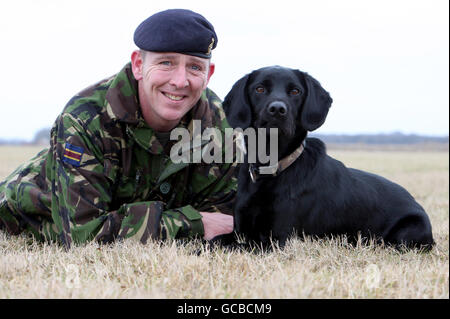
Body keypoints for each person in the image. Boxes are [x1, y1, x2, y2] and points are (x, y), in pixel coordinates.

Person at [0, 9, 237, 249]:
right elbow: (83, 236)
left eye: (195, 67)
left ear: (209, 75)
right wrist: (191, 223)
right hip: (25, 218)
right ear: (138, 65)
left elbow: (224, 218)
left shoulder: (220, 123)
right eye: (166, 63)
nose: (179, 81)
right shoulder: (86, 118)